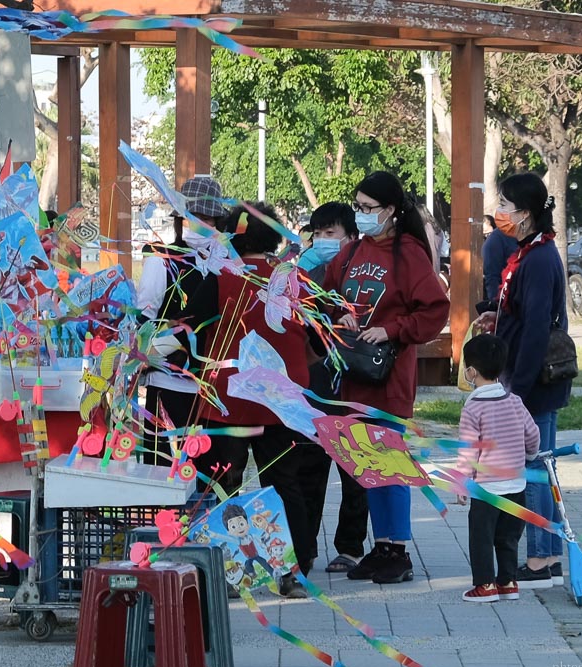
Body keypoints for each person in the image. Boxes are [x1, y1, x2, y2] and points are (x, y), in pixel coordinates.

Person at [175, 202, 313, 598]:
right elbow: (315, 335)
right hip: (281, 396)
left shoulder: (221, 278)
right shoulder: (294, 280)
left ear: (232, 236)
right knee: (285, 481)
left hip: (230, 398)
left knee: (223, 483)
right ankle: (294, 569)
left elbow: (188, 327)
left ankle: (226, 572)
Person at [323, 171, 450, 584]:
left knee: (390, 462)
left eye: (368, 209)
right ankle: (381, 547)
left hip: (389, 377)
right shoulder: (350, 253)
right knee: (368, 465)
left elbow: (433, 310)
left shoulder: (408, 252)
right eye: (357, 207)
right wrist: (335, 313)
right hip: (353, 376)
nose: (360, 215)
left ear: (391, 211)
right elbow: (323, 296)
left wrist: (391, 329)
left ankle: (397, 550)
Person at [477, 172, 571, 589]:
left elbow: (536, 328)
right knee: (541, 465)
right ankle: (547, 554)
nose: (499, 211)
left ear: (527, 214)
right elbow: (521, 313)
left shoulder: (539, 259)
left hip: (534, 381)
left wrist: (520, 390)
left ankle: (538, 559)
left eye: (505, 204)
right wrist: (497, 315)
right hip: (528, 376)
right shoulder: (528, 252)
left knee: (534, 467)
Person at [292, 202, 369, 574]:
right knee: (309, 466)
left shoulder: (362, 272)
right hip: (314, 380)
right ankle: (304, 549)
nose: (322, 241)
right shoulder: (302, 271)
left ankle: (351, 546)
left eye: (330, 234)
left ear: (351, 236)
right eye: (317, 234)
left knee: (353, 466)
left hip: (353, 382)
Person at [136, 175, 228, 464]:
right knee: (163, 469)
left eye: (207, 218)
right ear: (181, 218)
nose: (202, 224)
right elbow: (145, 320)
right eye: (194, 216)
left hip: (214, 388)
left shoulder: (230, 262)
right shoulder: (162, 259)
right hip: (168, 381)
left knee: (206, 471)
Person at [455, 334, 538, 602]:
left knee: (482, 537)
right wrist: (530, 453)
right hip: (516, 484)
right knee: (508, 537)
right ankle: (508, 582)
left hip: (486, 489)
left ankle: (484, 585)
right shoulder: (514, 401)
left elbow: (469, 448)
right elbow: (532, 434)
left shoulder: (473, 408)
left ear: (471, 372)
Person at [482, 214, 519, 301]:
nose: (486, 237)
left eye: (488, 233)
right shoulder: (494, 241)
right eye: (484, 235)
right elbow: (492, 276)